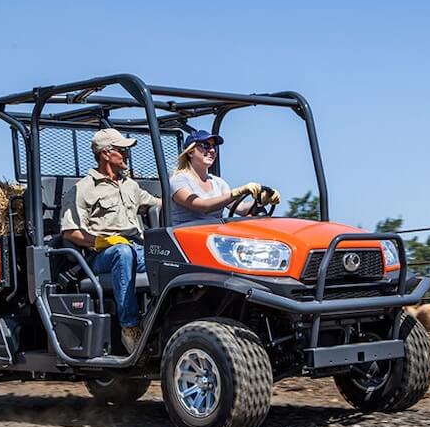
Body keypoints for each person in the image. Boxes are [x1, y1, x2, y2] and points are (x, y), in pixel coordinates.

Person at [60, 128, 161, 353]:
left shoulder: (130, 185)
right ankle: (130, 327)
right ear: (105, 153)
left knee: (167, 255)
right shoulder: (83, 189)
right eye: (122, 150)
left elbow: (158, 202)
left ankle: (162, 321)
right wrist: (103, 242)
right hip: (101, 256)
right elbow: (70, 232)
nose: (127, 155)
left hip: (136, 248)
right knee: (122, 253)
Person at [169, 130, 280, 225]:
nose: (212, 150)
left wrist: (262, 201)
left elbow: (240, 208)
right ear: (191, 152)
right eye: (206, 145)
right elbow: (203, 206)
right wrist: (238, 192)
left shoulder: (218, 183)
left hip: (214, 237)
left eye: (214, 147)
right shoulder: (178, 180)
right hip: (186, 238)